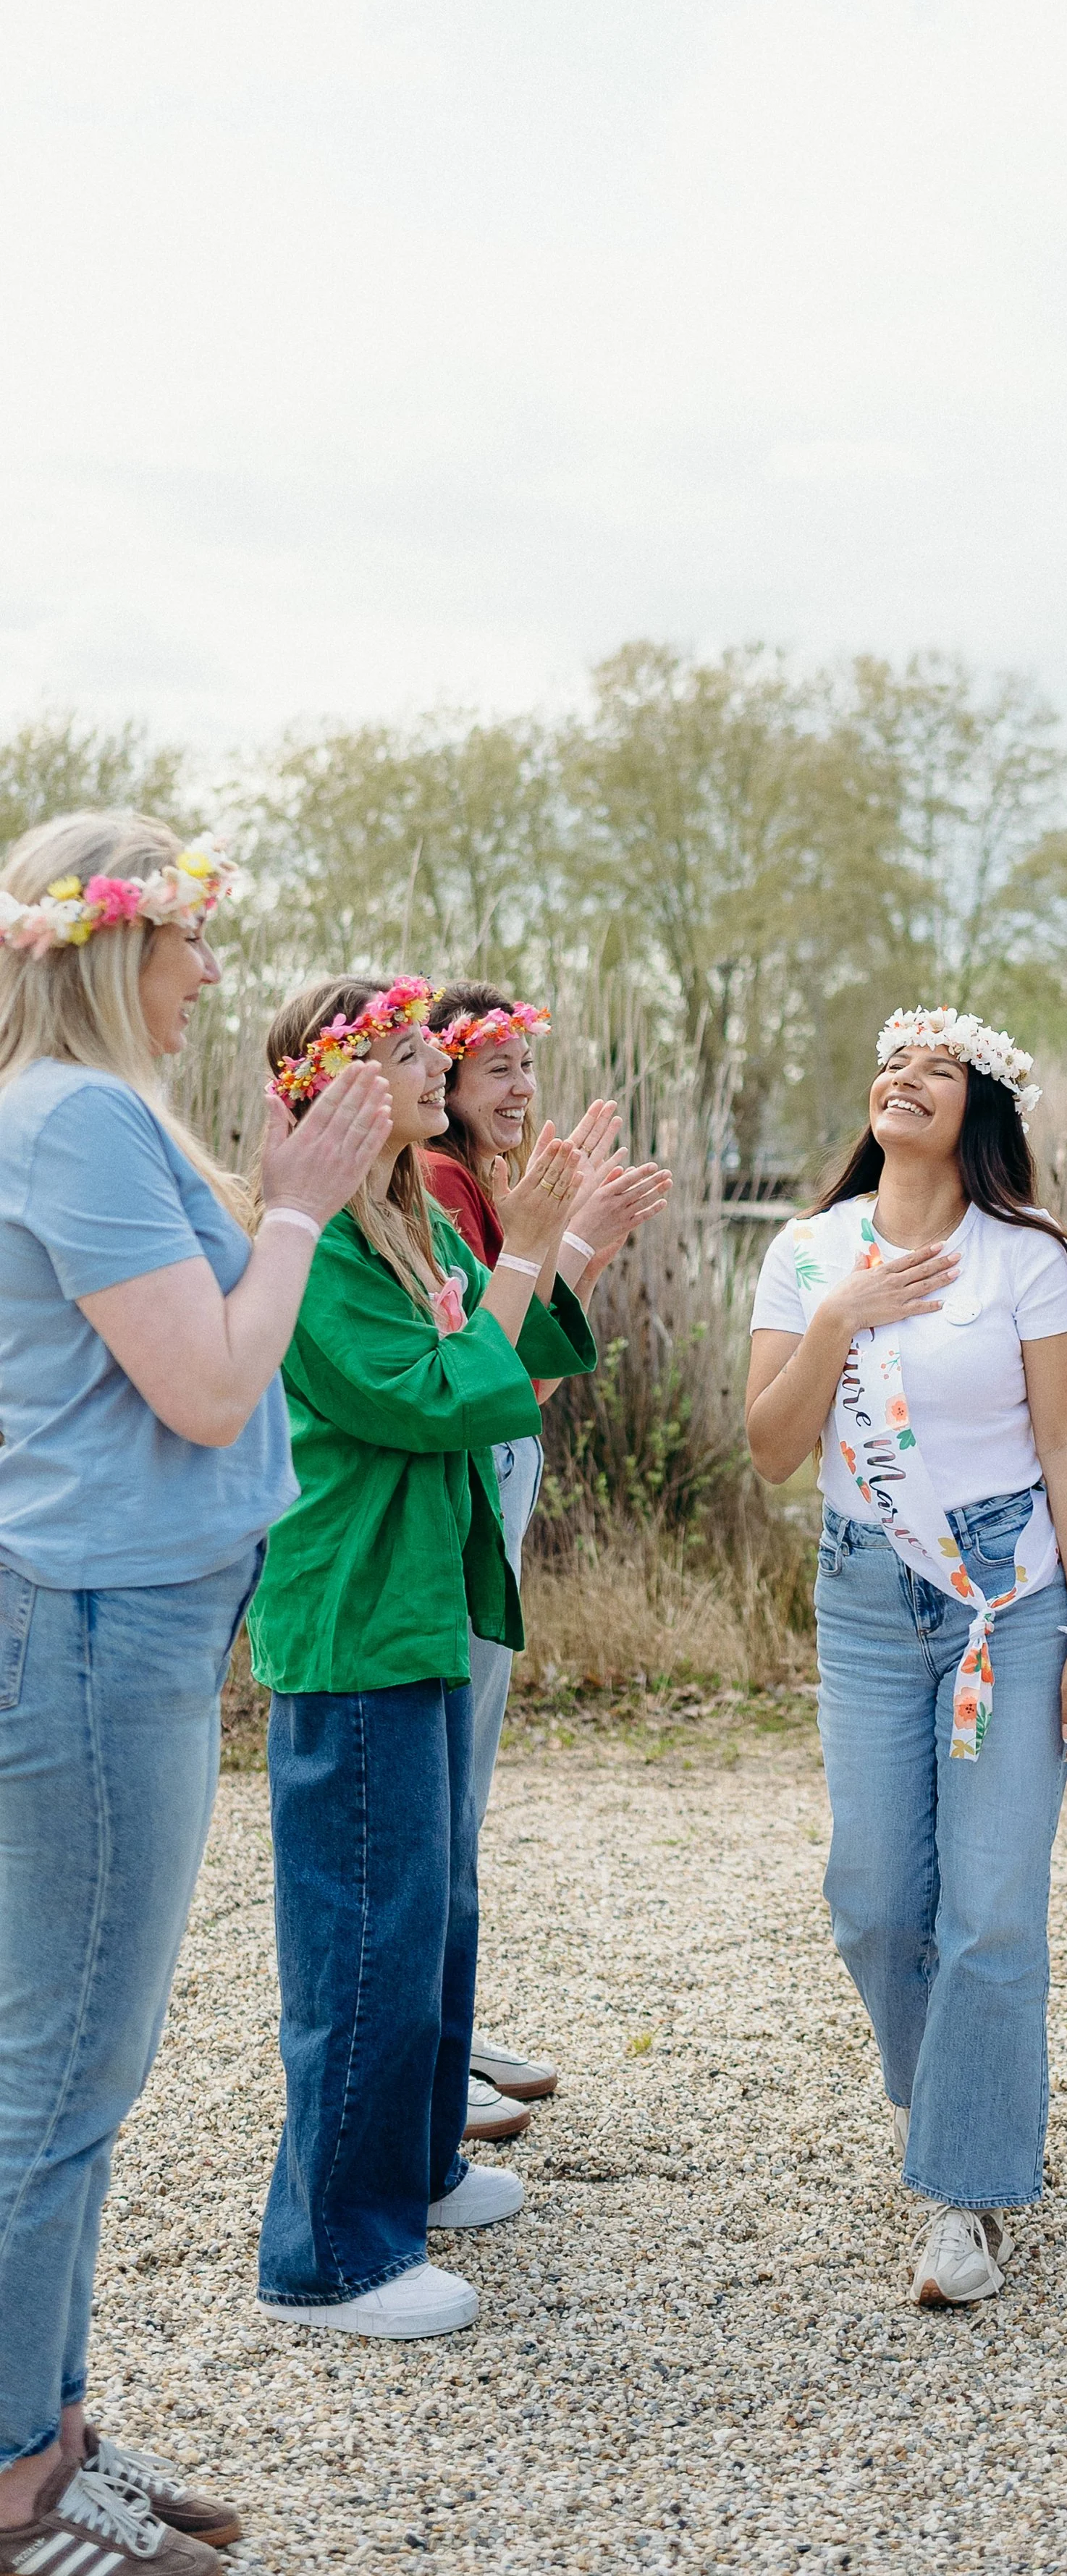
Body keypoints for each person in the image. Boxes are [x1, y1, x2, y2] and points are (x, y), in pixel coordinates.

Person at [0, 816, 391, 2573]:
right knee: (61, 2066)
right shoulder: (74, 1118)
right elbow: (215, 1388)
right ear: (112, 945)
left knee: (82, 2057)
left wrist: (290, 1202)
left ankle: (54, 2426)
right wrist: (294, 1204)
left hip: (124, 1617)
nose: (210, 974)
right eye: (189, 942)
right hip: (96, 1625)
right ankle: (14, 2484)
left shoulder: (93, 1113)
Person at [249, 976, 601, 2342]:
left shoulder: (408, 1216)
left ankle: (419, 2171)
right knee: (365, 1935)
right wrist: (528, 1253)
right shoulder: (324, 1242)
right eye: (407, 1051)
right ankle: (331, 2255)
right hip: (355, 1610)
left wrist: (544, 1249)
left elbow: (518, 1349)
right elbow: (441, 1397)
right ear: (335, 1083)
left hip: (420, 1600)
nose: (436, 1068)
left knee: (429, 1911)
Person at [745, 1005, 1067, 2308]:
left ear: (980, 1112)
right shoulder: (807, 1252)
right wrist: (838, 1318)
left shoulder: (1027, 1256)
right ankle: (961, 2089)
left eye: (939, 1067)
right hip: (863, 1594)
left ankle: (966, 2187)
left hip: (1007, 1597)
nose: (905, 1076)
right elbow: (773, 1450)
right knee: (874, 1899)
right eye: (896, 1060)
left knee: (992, 1905)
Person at [422, 981, 670, 2140]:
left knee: (463, 1791)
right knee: (442, 1795)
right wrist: (566, 1241)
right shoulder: (442, 1188)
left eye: (528, 1065)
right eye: (498, 1069)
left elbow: (529, 1388)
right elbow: (486, 1382)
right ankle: (432, 2056)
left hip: (498, 1497)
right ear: (445, 1080)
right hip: (453, 1519)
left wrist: (584, 1248)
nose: (521, 1089)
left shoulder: (487, 1190)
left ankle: (450, 2031)